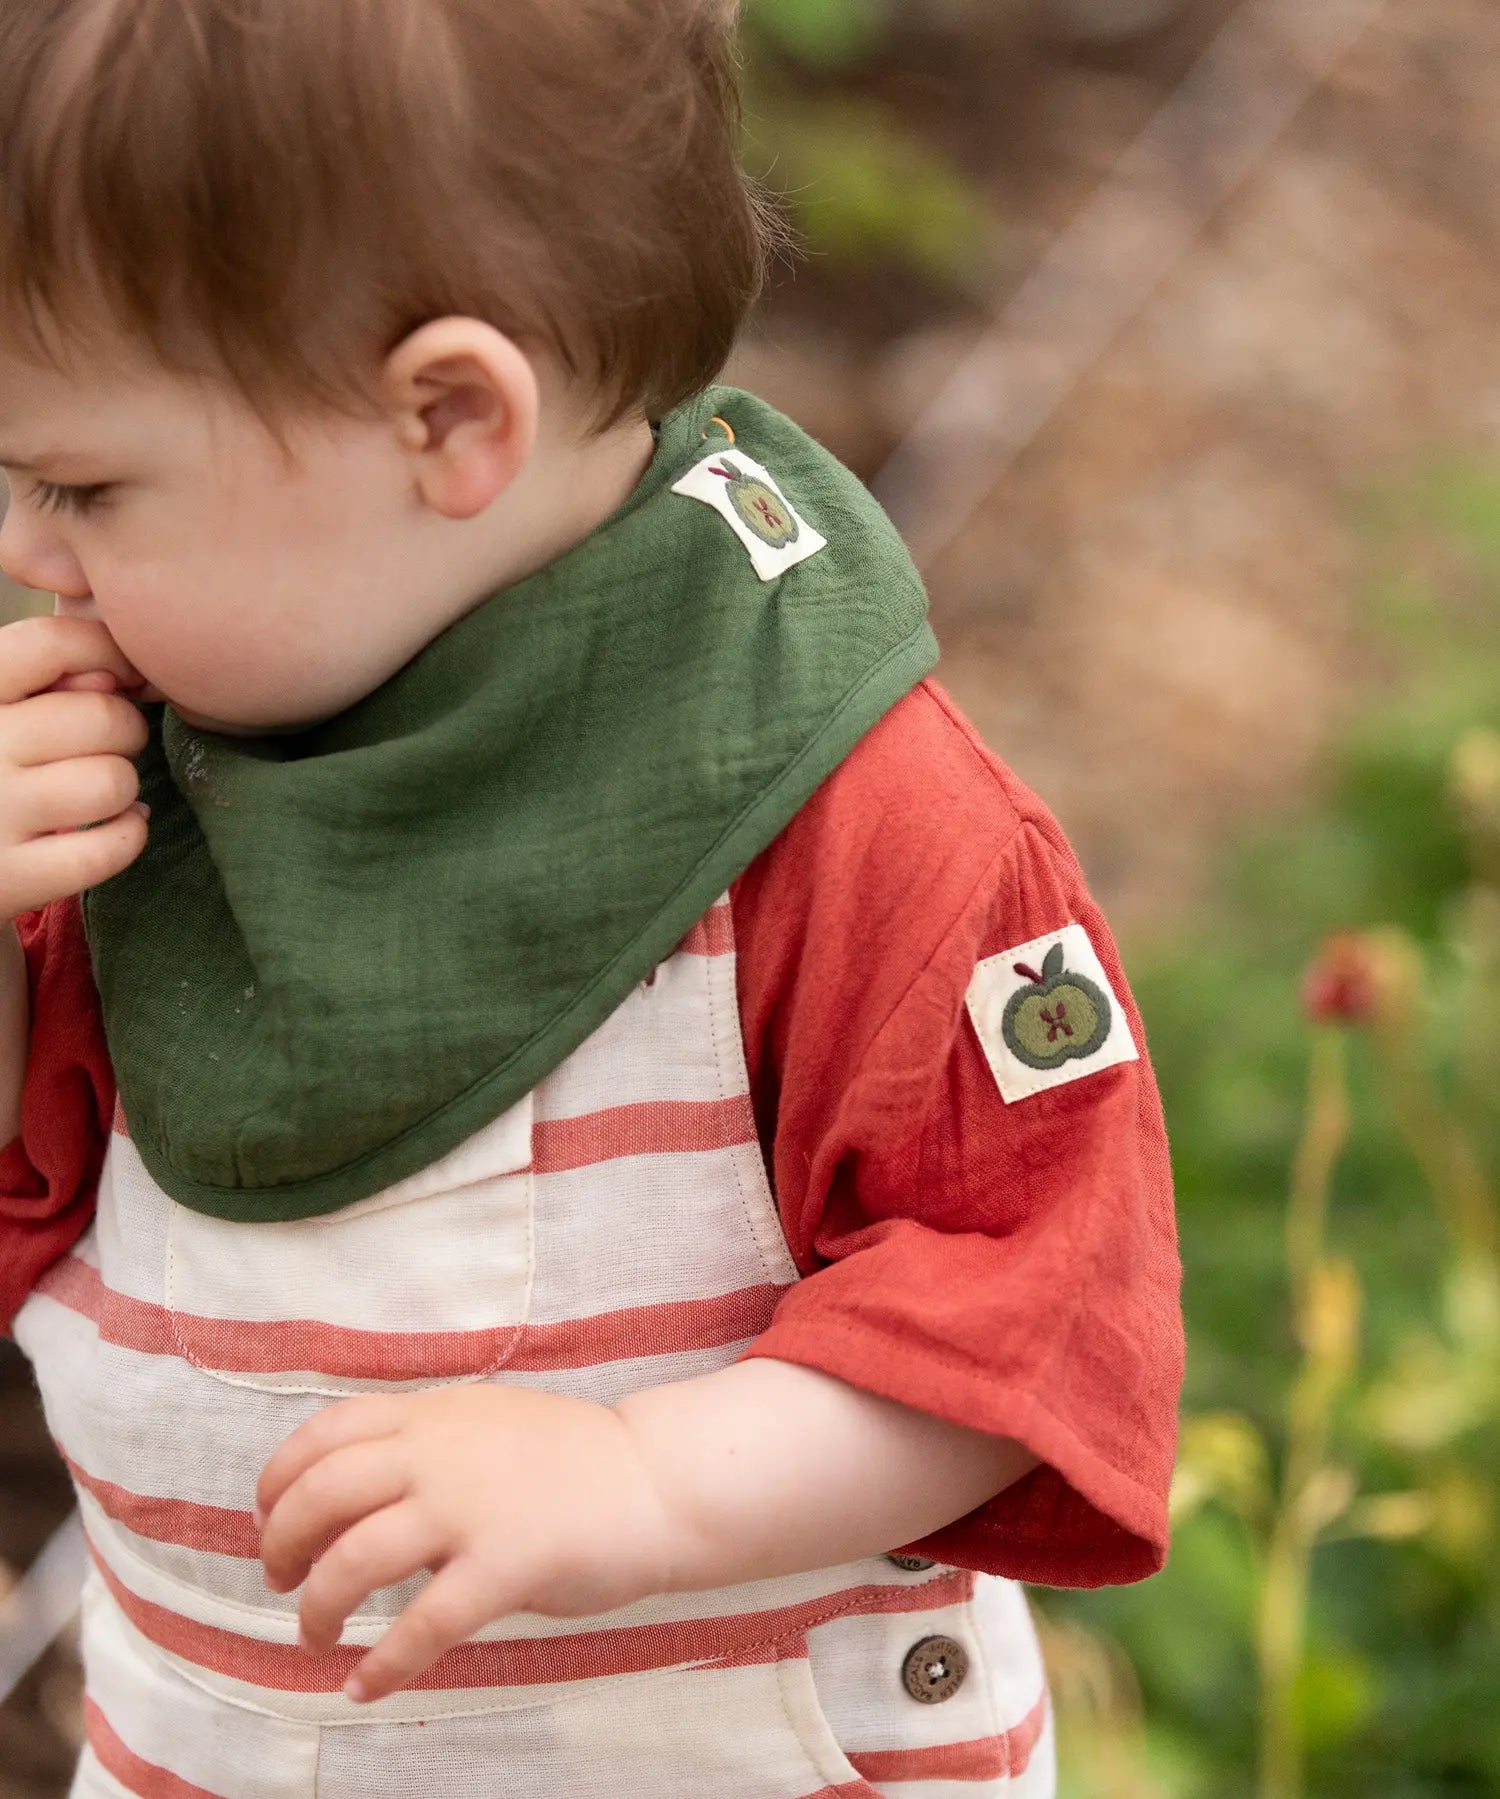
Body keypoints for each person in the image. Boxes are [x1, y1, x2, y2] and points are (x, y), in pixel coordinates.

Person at [0, 2, 1183, 1793]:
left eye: (82, 483)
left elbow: (1028, 1311)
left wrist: (641, 1480)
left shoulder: (834, 811)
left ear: (450, 418)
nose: (27, 549)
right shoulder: (120, 782)